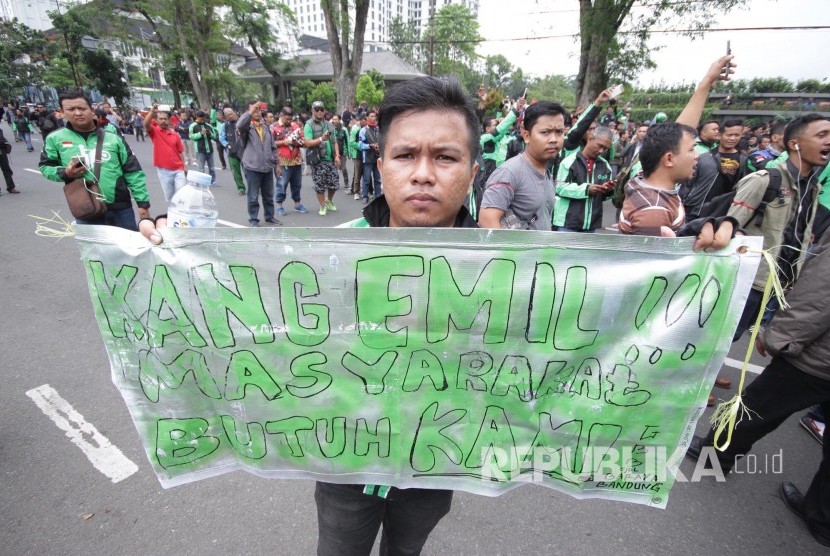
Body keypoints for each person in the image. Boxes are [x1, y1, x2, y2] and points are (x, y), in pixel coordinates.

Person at [138, 76, 741, 555]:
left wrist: (700, 259)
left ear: (473, 171)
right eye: (405, 155)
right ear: (381, 164)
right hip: (342, 462)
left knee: (408, 548)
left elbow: (605, 312)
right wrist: (172, 250)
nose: (423, 173)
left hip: (442, 461)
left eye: (445, 157)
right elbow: (242, 307)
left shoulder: (517, 266)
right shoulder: (324, 255)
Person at [686, 226, 830, 549]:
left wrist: (777, 337)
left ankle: (715, 453)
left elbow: (821, 294)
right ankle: (823, 518)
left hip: (819, 357)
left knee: (757, 405)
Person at [726, 114, 830, 342]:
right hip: (747, 280)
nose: (828, 141)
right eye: (821, 135)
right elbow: (728, 228)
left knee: (738, 335)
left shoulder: (812, 188)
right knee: (723, 334)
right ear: (795, 144)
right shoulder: (764, 180)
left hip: (777, 283)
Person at [39, 91, 150, 230]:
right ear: (62, 112)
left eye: (82, 108)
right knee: (95, 251)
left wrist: (142, 203)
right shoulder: (54, 139)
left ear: (91, 110)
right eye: (71, 109)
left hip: (120, 208)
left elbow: (133, 171)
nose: (78, 113)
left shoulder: (113, 138)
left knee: (130, 250)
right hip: (85, 208)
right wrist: (66, 173)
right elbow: (45, 167)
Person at [477, 101, 568, 230]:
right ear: (526, 135)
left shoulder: (546, 172)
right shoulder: (509, 173)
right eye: (545, 132)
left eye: (559, 132)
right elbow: (487, 221)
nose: (554, 139)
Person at [680, 118, 750, 220]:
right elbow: (687, 184)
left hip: (722, 212)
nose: (733, 138)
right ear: (719, 135)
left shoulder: (743, 161)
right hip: (695, 210)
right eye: (729, 135)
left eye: (737, 135)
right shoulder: (704, 157)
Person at [553, 125, 615, 232]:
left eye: (605, 148)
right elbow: (559, 187)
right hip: (567, 223)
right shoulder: (569, 162)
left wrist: (608, 191)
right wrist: (586, 189)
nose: (601, 151)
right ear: (590, 138)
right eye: (600, 146)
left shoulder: (605, 166)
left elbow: (603, 198)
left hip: (591, 225)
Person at [236, 101, 280, 227]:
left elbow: (273, 148)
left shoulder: (266, 128)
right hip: (252, 167)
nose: (257, 112)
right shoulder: (246, 128)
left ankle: (270, 216)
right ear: (249, 113)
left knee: (268, 195)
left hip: (267, 167)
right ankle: (254, 219)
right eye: (254, 111)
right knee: (253, 196)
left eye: (259, 110)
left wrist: (277, 164)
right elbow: (240, 125)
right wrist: (251, 110)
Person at [305, 100, 341, 215]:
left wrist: (337, 155)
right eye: (317, 110)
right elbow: (308, 143)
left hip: (330, 159)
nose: (320, 112)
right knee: (320, 185)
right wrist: (321, 139)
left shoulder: (329, 125)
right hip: (318, 160)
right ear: (312, 111)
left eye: (321, 109)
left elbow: (334, 141)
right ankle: (322, 206)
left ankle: (329, 200)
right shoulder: (309, 125)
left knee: (334, 183)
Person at [144, 104, 187, 201]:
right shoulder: (155, 132)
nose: (163, 120)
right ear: (156, 121)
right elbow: (146, 124)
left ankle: (180, 214)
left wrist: (184, 166)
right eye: (161, 119)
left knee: (181, 195)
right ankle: (173, 215)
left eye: (165, 119)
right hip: (164, 171)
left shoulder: (175, 135)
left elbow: (180, 152)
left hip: (178, 170)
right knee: (171, 198)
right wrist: (151, 112)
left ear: (168, 120)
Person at [272, 106, 308, 215]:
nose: (289, 121)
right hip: (282, 161)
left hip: (296, 160)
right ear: (281, 115)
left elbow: (302, 139)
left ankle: (297, 204)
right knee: (282, 184)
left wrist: (299, 142)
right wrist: (283, 142)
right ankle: (279, 205)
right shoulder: (274, 127)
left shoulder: (295, 126)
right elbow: (269, 143)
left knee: (297, 184)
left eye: (290, 119)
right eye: (287, 119)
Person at [218, 107, 246, 196]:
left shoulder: (241, 123)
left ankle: (254, 187)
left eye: (231, 113)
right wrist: (227, 145)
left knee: (249, 171)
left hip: (244, 152)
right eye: (228, 114)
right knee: (236, 172)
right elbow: (221, 138)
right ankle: (241, 188)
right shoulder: (224, 126)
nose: (231, 115)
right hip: (232, 152)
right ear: (226, 116)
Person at [357, 110, 381, 205]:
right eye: (371, 116)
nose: (373, 118)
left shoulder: (379, 129)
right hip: (367, 158)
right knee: (366, 179)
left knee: (378, 179)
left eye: (374, 116)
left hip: (377, 157)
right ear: (367, 118)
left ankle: (378, 197)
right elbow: (360, 145)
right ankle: (365, 196)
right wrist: (370, 146)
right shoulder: (363, 130)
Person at [189, 110, 217, 185]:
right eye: (200, 119)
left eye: (203, 119)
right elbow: (191, 136)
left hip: (209, 150)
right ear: (197, 117)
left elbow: (214, 136)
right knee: (201, 169)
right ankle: (202, 182)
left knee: (212, 168)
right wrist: (200, 134)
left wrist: (209, 133)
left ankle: (213, 181)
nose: (202, 120)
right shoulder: (193, 126)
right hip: (200, 150)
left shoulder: (209, 126)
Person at [331, 114, 350, 190]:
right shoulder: (331, 129)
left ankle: (346, 182)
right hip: (333, 152)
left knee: (343, 168)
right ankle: (335, 182)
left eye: (336, 119)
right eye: (333, 119)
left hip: (343, 152)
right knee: (334, 168)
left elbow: (348, 141)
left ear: (339, 120)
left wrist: (349, 153)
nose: (334, 121)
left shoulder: (344, 129)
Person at [349, 115, 366, 199]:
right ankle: (356, 191)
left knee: (366, 174)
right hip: (357, 154)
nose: (366, 121)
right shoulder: (356, 129)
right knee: (357, 174)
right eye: (364, 120)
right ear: (361, 120)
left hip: (367, 154)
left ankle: (366, 191)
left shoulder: (368, 129)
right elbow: (351, 142)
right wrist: (361, 147)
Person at [0, 127, 20, 195]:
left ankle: (11, 187)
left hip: (2, 151)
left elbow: (2, 139)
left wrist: (6, 144)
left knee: (7, 170)